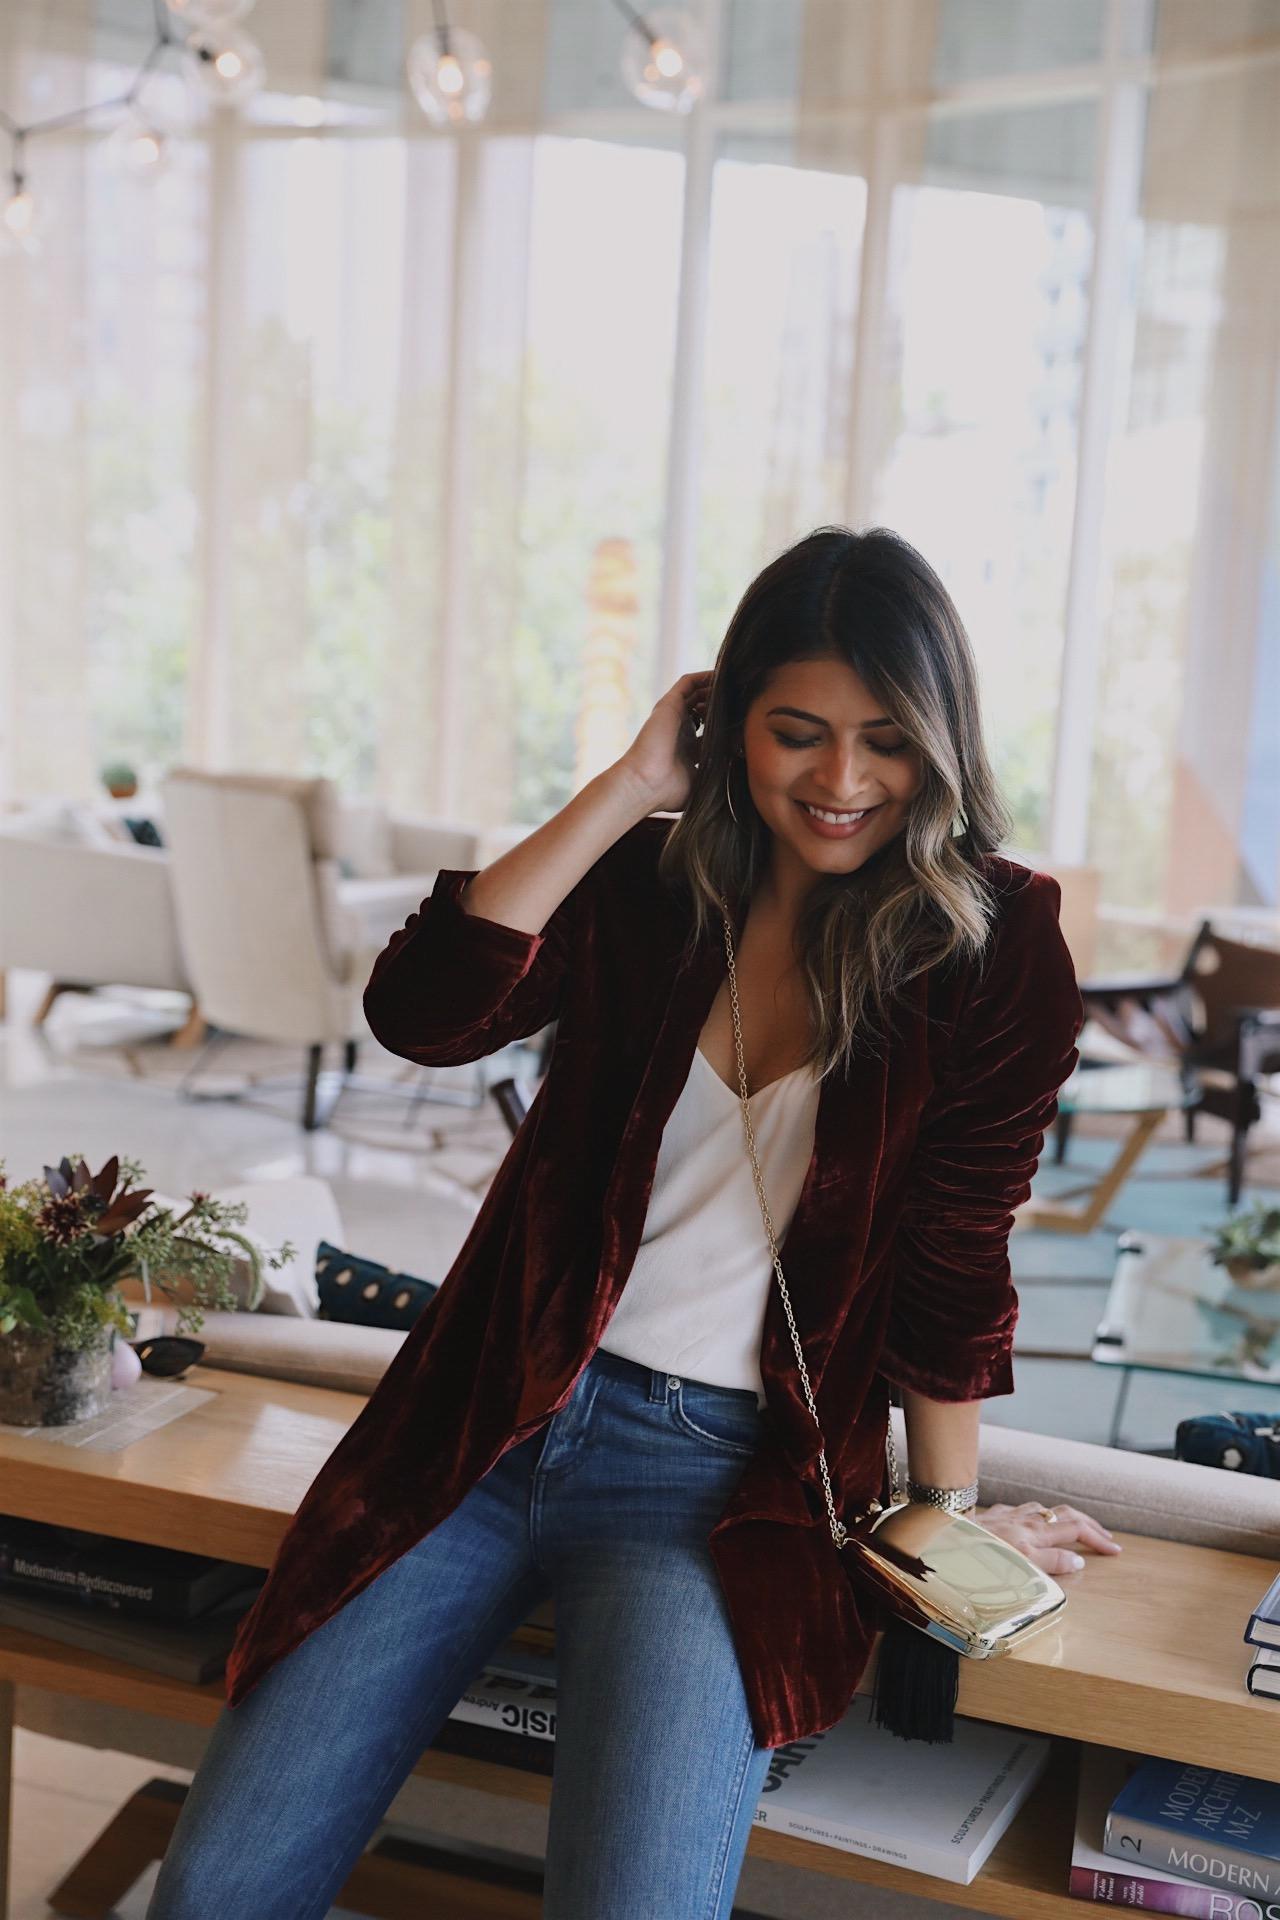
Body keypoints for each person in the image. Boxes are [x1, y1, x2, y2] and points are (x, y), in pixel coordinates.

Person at [148, 525, 1119, 1920]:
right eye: (795, 733)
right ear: (730, 725)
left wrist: (945, 1519)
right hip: (484, 1425)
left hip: (719, 1487)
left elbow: (957, 1253)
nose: (842, 782)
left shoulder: (990, 943)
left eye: (887, 741)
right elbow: (420, 1017)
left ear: (941, 743)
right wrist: (626, 787)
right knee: (216, 1894)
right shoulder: (650, 884)